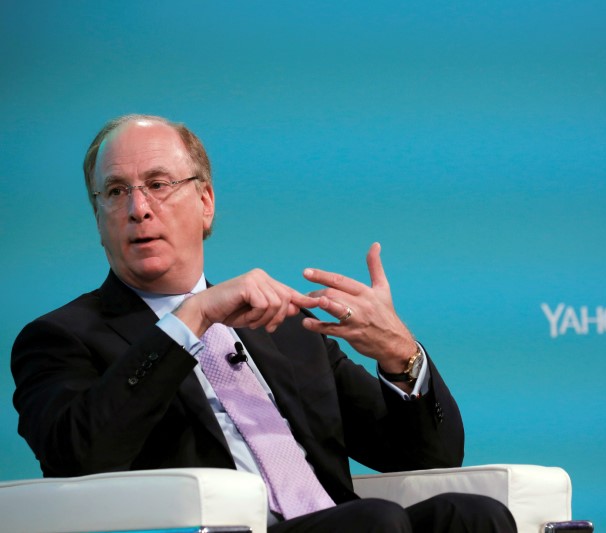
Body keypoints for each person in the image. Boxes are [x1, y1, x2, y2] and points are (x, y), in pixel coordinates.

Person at [11, 115, 515, 532]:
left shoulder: (285, 328)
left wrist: (399, 354)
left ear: (205, 203)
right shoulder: (61, 337)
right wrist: (192, 318)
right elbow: (75, 458)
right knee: (375, 523)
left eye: (158, 185)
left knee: (474, 516)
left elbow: (425, 459)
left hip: (339, 524)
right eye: (116, 192)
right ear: (98, 218)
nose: (138, 209)